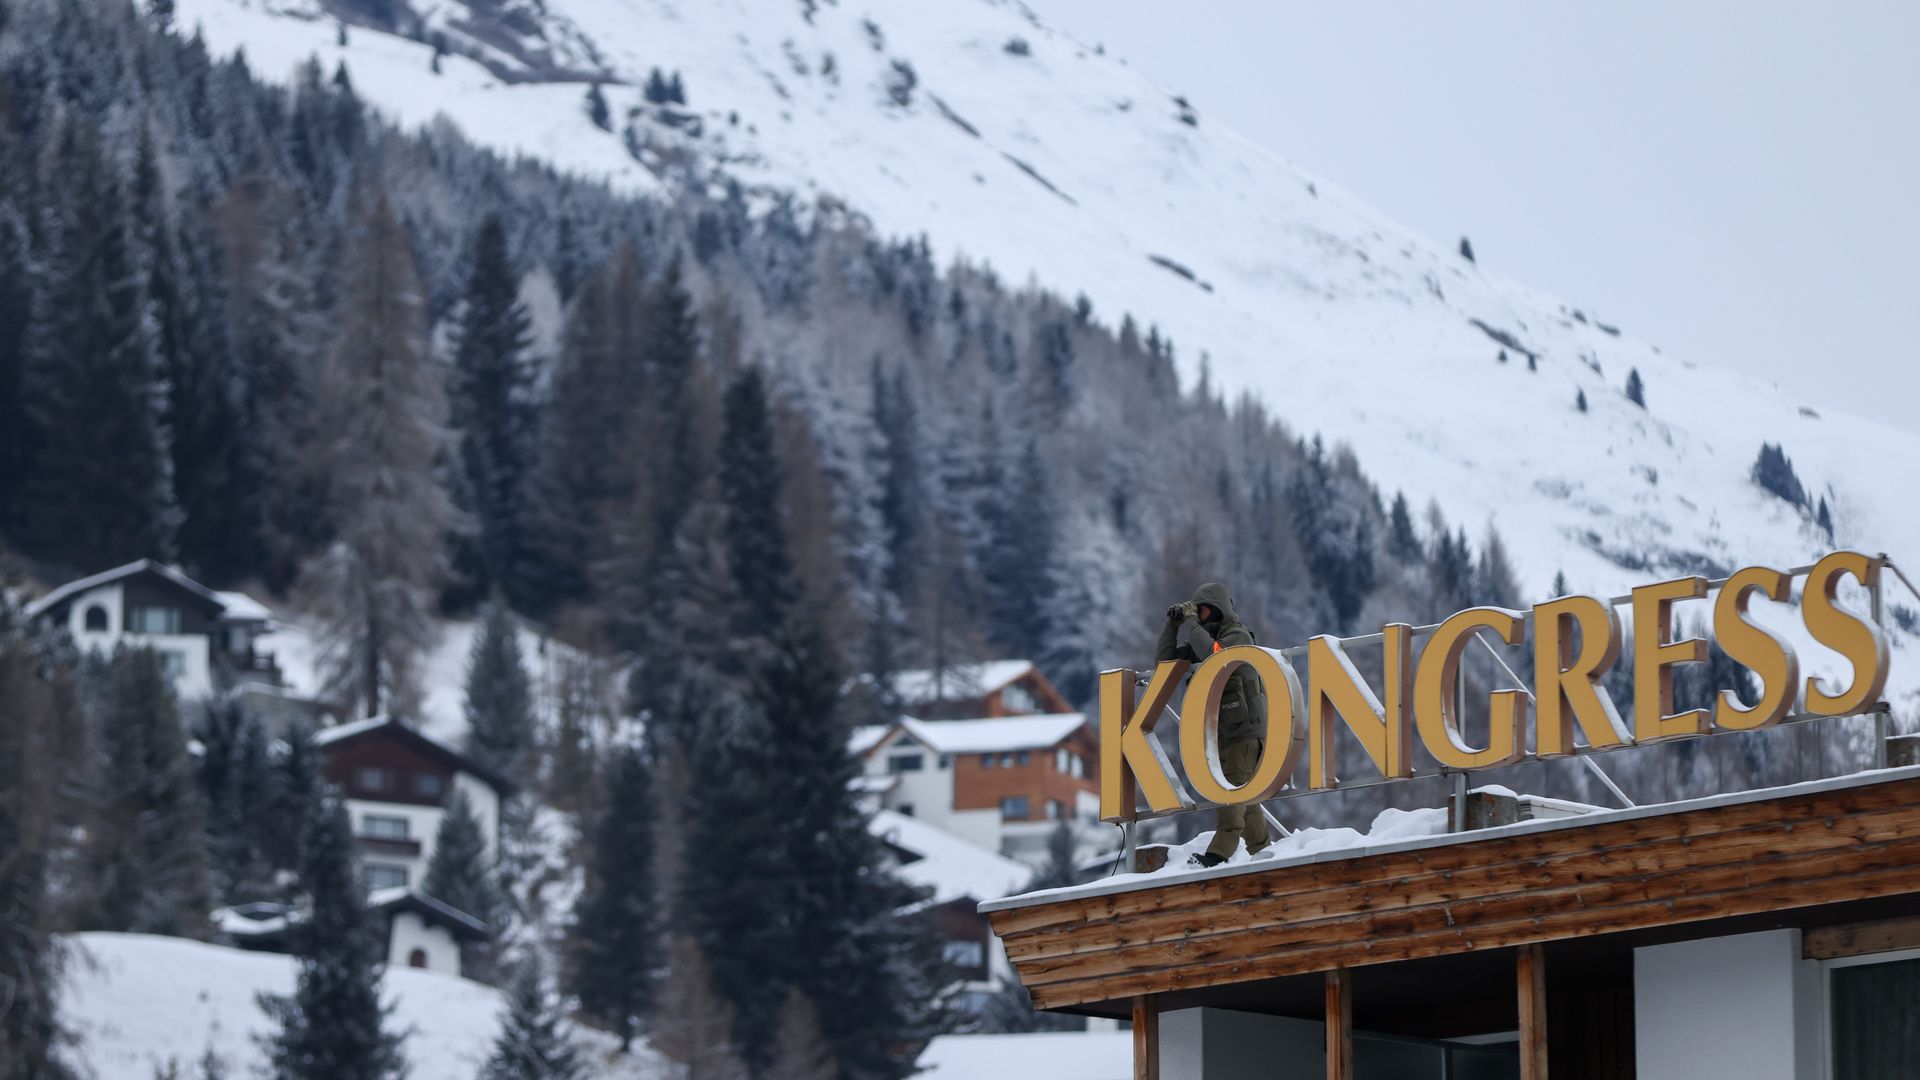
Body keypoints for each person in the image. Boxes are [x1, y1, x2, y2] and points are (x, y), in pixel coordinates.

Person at [1157, 582, 1269, 868]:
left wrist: (1192, 622)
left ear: (1217, 610)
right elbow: (1165, 662)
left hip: (1243, 732)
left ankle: (1218, 854)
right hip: (1226, 732)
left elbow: (1217, 655)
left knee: (1230, 789)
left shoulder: (1236, 635)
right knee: (1247, 797)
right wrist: (1173, 626)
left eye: (1203, 610)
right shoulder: (1207, 640)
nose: (1200, 616)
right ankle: (1266, 852)